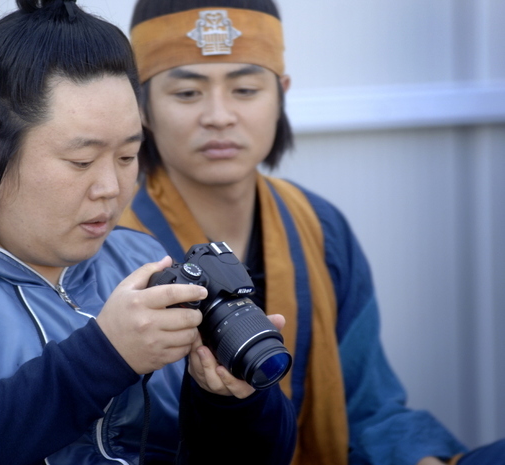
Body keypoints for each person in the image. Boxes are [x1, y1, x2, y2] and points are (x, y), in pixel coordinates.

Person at [0, 1, 298, 463]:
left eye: (128, 157)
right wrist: (104, 356)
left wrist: (226, 403)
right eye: (80, 160)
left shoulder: (139, 260)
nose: (110, 187)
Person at [119, 0, 500, 464]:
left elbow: (369, 406)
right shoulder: (114, 243)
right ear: (142, 105)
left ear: (281, 93)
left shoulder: (318, 225)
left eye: (244, 89)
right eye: (187, 94)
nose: (219, 116)